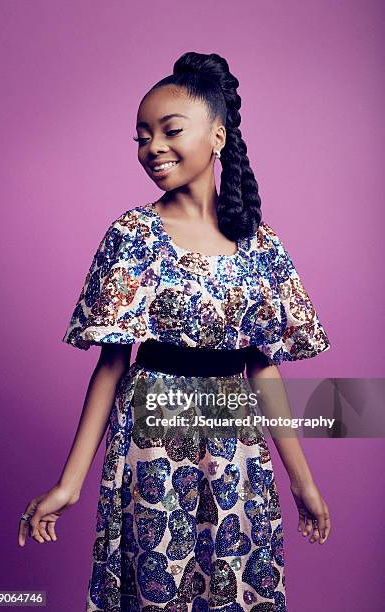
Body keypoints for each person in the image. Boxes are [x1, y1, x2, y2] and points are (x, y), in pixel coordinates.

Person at [18, 51, 331, 611]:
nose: (152, 148)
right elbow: (111, 365)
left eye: (169, 131)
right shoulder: (132, 234)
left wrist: (301, 479)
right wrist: (68, 485)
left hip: (237, 445)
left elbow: (264, 368)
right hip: (153, 443)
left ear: (218, 136)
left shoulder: (262, 245)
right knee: (157, 588)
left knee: (237, 585)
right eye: (142, 136)